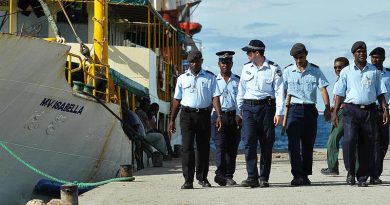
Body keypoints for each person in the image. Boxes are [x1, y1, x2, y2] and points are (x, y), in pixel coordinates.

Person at [333, 41, 388, 187]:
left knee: (367, 144)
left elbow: (381, 92)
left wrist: (385, 110)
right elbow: (339, 94)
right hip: (351, 110)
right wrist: (334, 113)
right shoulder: (346, 71)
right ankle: (351, 173)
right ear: (353, 54)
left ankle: (362, 178)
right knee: (349, 140)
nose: (362, 54)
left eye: (364, 51)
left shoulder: (374, 71)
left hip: (369, 110)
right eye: (359, 52)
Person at [169, 50, 223, 189]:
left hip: (204, 115)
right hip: (186, 115)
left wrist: (218, 115)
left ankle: (202, 178)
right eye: (191, 61)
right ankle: (188, 180)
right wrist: (171, 120)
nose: (193, 64)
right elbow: (177, 100)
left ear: (201, 61)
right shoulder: (182, 78)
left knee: (203, 148)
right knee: (187, 147)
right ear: (188, 62)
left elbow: (215, 97)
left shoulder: (210, 78)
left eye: (196, 61)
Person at [236, 40, 284, 188]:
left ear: (257, 53)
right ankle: (252, 177)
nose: (247, 54)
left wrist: (279, 113)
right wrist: (239, 111)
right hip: (249, 108)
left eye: (249, 52)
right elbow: (241, 90)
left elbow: (280, 91)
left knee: (266, 143)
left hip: (266, 108)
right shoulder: (246, 68)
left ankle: (264, 177)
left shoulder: (273, 68)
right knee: (249, 142)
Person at [284, 43, 331, 186]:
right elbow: (282, 92)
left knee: (308, 144)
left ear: (306, 54)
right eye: (296, 58)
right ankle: (296, 174)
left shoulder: (315, 70)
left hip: (310, 110)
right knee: (293, 145)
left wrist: (327, 108)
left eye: (301, 57)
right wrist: (280, 112)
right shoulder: (287, 71)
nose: (298, 60)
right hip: (293, 110)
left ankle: (305, 175)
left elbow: (322, 89)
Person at [211, 51, 241, 186]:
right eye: (223, 62)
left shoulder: (238, 80)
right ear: (218, 64)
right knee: (220, 146)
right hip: (219, 116)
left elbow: (240, 100)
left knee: (232, 148)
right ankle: (220, 173)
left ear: (232, 64)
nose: (225, 65)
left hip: (234, 116)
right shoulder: (213, 80)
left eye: (228, 62)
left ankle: (229, 175)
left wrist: (239, 115)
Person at [321, 57, 349, 175]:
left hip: (345, 112)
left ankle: (333, 167)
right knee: (347, 140)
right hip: (339, 111)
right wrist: (332, 108)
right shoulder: (339, 80)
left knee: (333, 139)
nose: (337, 69)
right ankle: (334, 167)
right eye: (335, 67)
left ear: (346, 67)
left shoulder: (348, 78)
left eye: (340, 67)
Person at [369, 47, 390, 184]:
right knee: (373, 142)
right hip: (370, 110)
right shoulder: (367, 72)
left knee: (383, 143)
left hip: (385, 111)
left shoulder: (388, 74)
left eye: (377, 57)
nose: (375, 60)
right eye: (373, 57)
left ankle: (376, 172)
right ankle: (373, 174)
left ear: (383, 58)